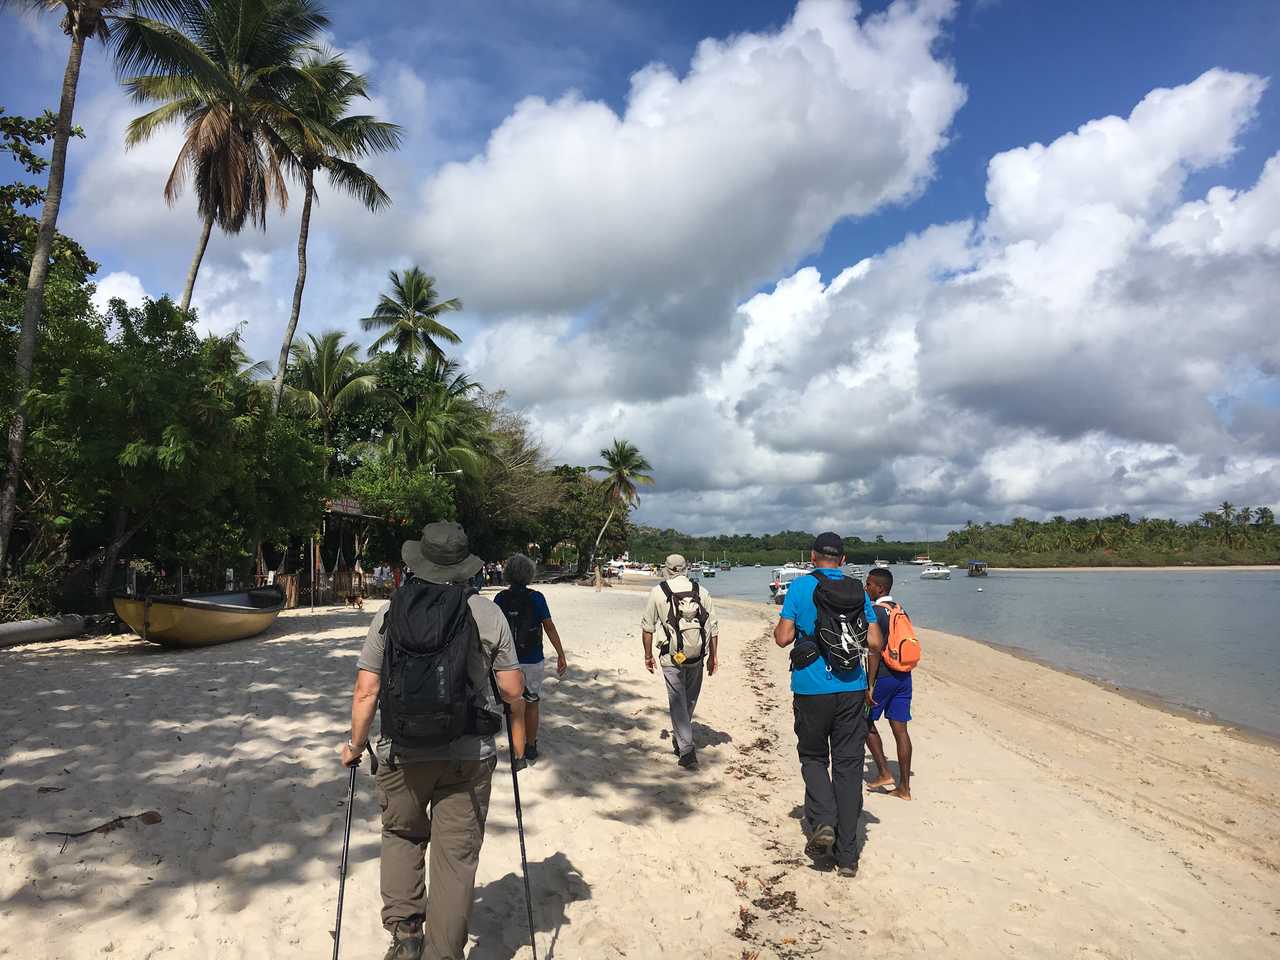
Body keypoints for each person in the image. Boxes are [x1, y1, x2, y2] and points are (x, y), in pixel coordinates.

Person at [340, 521, 527, 960]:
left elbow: (366, 690)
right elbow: (514, 691)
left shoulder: (390, 611)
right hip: (467, 755)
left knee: (402, 835)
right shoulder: (487, 612)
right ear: (465, 566)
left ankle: (405, 935)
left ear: (417, 561)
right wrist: (517, 729)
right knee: (456, 859)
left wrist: (354, 744)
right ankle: (443, 952)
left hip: (401, 751)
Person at [773, 532, 883, 878]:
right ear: (844, 560)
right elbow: (876, 641)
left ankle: (823, 822)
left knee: (813, 757)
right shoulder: (857, 591)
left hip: (810, 688)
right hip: (852, 688)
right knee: (848, 768)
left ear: (812, 556)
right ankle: (848, 857)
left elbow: (782, 638)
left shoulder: (800, 588)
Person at [641, 554, 718, 769]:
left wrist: (648, 656)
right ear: (686, 569)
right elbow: (713, 627)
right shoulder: (701, 591)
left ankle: (686, 749)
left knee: (677, 701)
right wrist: (714, 656)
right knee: (689, 700)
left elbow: (647, 627)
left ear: (667, 569)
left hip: (670, 656)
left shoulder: (658, 592)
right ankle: (683, 739)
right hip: (697, 656)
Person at [495, 553, 568, 766]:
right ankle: (531, 746)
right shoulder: (537, 598)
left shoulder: (500, 598)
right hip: (533, 658)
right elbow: (549, 626)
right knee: (532, 702)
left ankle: (517, 755)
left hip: (508, 660)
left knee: (514, 706)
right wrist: (561, 654)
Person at [864, 568, 913, 799]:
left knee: (863, 721)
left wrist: (870, 683)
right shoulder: (900, 609)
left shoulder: (875, 612)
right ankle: (904, 788)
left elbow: (874, 649)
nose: (866, 588)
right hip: (904, 675)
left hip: (883, 675)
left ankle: (884, 771)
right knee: (900, 731)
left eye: (869, 584)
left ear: (880, 588)